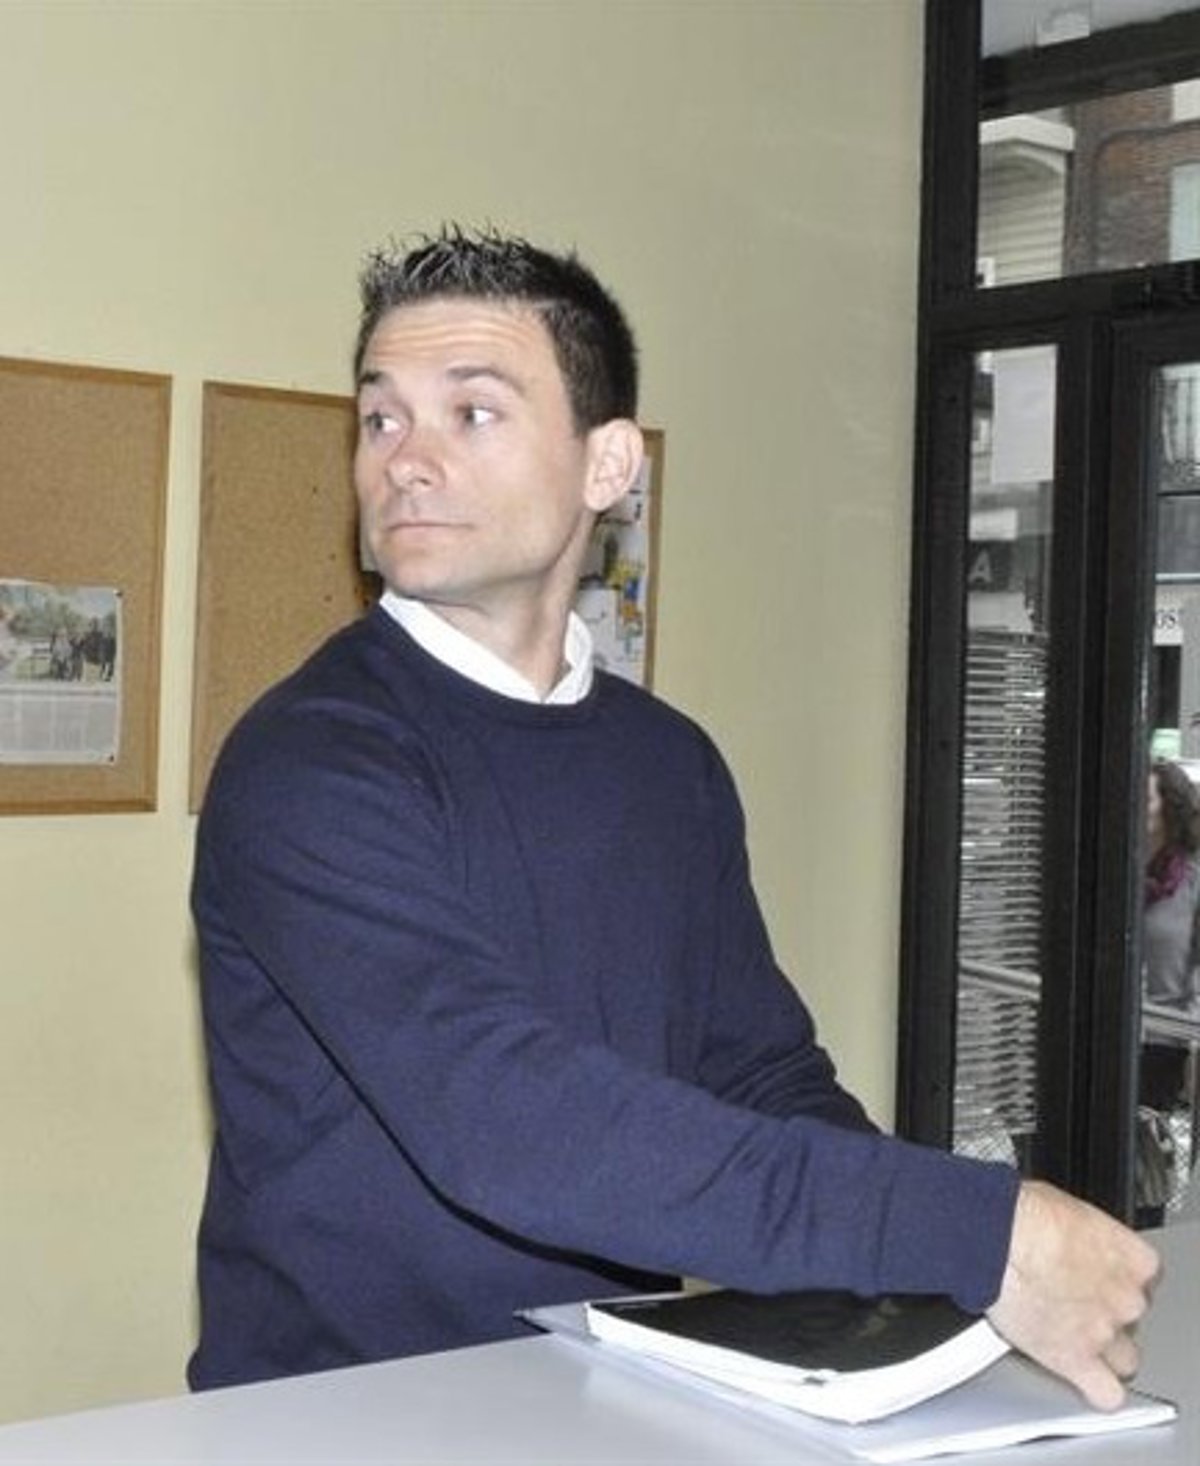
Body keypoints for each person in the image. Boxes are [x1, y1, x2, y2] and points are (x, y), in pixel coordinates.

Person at [189, 226, 1157, 1405]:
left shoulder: (669, 763)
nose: (406, 461)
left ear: (608, 464)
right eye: (381, 417)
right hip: (342, 1415)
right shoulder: (311, 762)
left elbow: (757, 1070)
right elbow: (510, 1123)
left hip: (617, 1399)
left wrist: (931, 1281)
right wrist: (978, 1231)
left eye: (472, 413)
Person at [1137, 758, 1200, 1220]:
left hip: (1164, 1040)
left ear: (1170, 809)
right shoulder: (1121, 870)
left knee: (1145, 1156)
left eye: (1146, 797)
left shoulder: (1192, 880)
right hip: (1112, 1031)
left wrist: (1192, 1032)